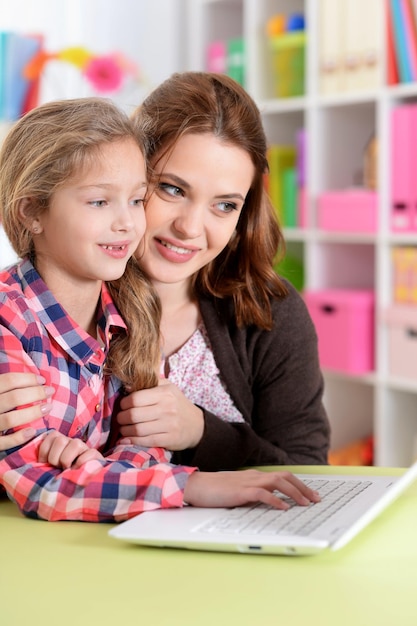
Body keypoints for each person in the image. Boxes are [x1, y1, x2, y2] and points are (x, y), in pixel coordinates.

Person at [0, 96, 320, 520]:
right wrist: (182, 483)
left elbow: (309, 473)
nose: (189, 227)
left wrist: (197, 435)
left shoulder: (126, 314)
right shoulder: (39, 312)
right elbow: (34, 477)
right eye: (171, 189)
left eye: (225, 204)